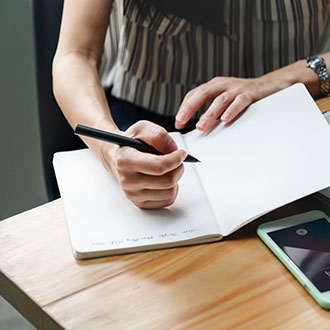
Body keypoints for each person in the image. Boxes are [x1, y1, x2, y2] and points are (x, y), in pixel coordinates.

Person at [53, 0, 330, 209]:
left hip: (288, 120)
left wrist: (280, 81)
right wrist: (110, 151)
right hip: (143, 129)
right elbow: (75, 56)